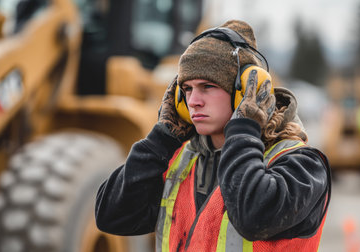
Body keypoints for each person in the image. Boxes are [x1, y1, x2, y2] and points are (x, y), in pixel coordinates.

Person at [95, 20, 331, 251]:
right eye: (187, 89)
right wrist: (162, 138)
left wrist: (244, 127)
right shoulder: (178, 160)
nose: (193, 101)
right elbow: (112, 216)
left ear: (245, 91)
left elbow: (253, 217)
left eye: (207, 86)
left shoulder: (303, 165)